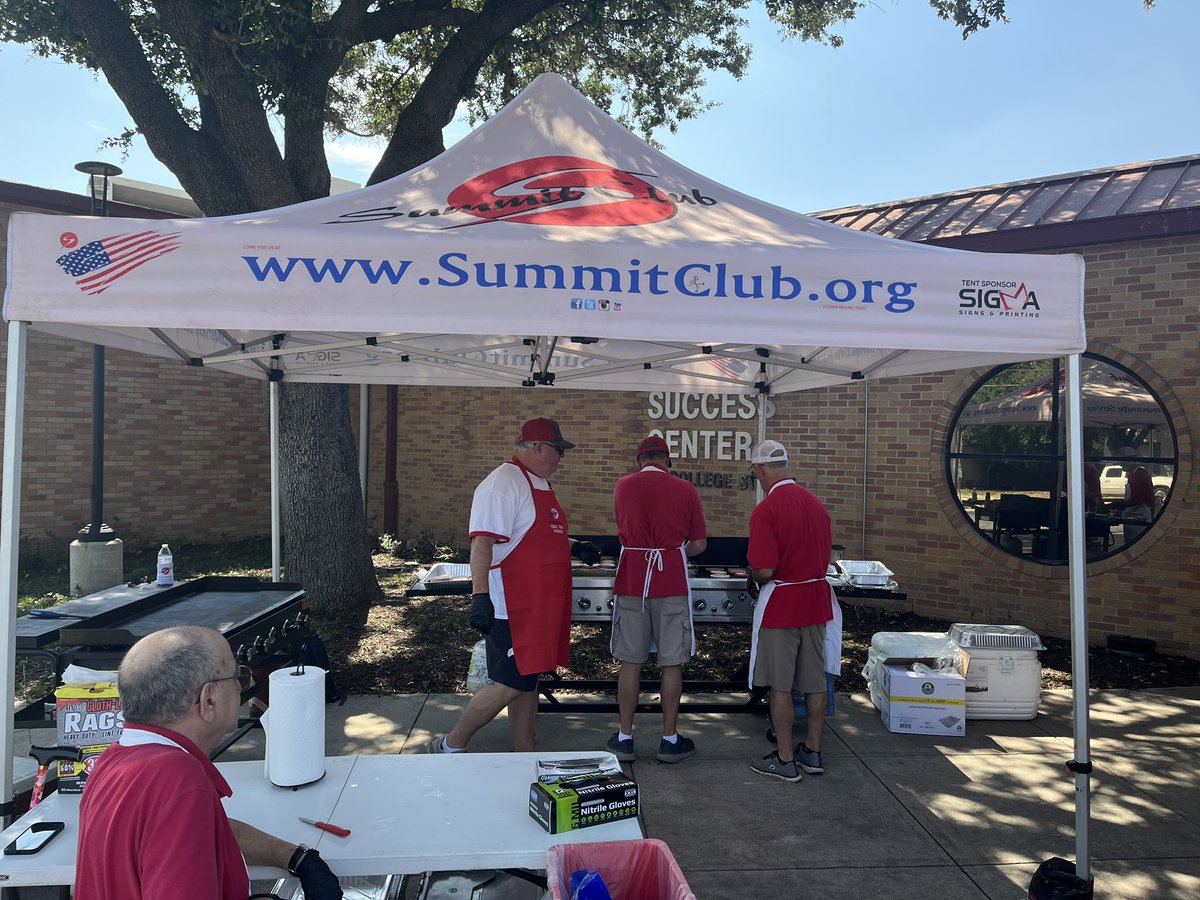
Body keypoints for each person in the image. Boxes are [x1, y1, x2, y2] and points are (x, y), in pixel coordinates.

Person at [75, 626, 342, 900]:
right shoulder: (179, 783)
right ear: (208, 700)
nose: (241, 686)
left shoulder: (114, 762)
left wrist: (297, 858)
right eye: (239, 676)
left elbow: (207, 833)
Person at [428, 418, 598, 754]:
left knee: (528, 680)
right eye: (558, 450)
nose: (561, 457)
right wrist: (480, 597)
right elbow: (482, 543)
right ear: (537, 448)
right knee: (510, 681)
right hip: (513, 606)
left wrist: (574, 545)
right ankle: (451, 743)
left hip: (539, 605)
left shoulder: (537, 483)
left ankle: (524, 753)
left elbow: (534, 536)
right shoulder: (502, 484)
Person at [605, 435, 708, 764]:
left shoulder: (622, 486)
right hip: (671, 580)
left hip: (633, 579)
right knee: (671, 661)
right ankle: (668, 738)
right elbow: (700, 544)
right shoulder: (686, 490)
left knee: (630, 661)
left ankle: (624, 737)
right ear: (667, 460)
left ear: (639, 460)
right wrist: (676, 551)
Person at [744, 440, 835, 783]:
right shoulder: (817, 504)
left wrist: (752, 573)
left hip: (782, 605)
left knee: (780, 685)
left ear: (761, 470)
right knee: (815, 682)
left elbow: (765, 569)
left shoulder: (766, 510)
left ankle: (784, 759)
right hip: (815, 602)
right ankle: (812, 751)